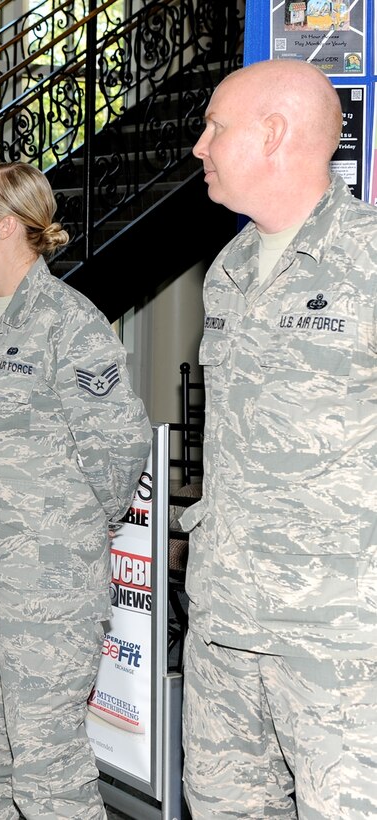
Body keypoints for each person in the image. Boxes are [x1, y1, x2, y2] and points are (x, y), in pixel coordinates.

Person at [180, 59, 377, 819]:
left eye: (214, 127)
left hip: (336, 635)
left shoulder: (365, 259)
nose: (199, 146)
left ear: (272, 133)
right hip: (226, 618)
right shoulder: (227, 267)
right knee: (223, 804)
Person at [0, 162, 150, 819]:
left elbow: (118, 444)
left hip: (42, 579)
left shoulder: (65, 321)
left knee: (45, 757)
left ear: (5, 226)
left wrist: (67, 533)